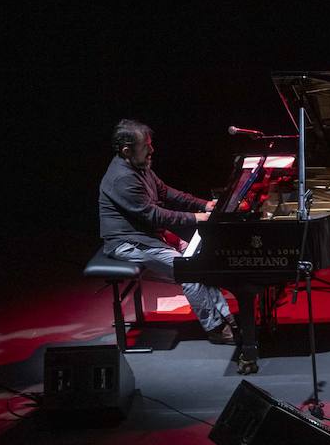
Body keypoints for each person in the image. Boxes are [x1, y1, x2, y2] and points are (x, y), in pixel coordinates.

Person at [98, 119, 237, 343]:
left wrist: (203, 204)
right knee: (190, 272)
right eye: (146, 146)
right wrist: (195, 217)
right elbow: (153, 215)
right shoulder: (122, 178)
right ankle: (216, 328)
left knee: (203, 259)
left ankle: (226, 316)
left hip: (149, 234)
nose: (152, 150)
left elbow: (166, 192)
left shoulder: (139, 167)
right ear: (127, 150)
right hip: (129, 242)